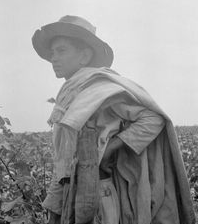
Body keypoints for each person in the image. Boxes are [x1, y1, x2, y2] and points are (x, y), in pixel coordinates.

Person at [32, 15, 196, 224]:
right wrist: (55, 206)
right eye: (52, 52)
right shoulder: (70, 92)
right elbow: (65, 157)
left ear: (84, 56)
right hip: (72, 192)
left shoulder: (102, 88)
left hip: (101, 194)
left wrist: (111, 147)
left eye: (62, 51)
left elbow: (153, 118)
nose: (54, 58)